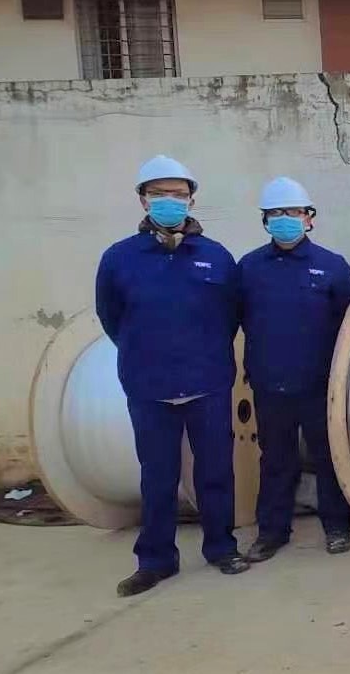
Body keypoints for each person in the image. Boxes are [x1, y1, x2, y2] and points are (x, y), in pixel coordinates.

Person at [95, 155, 248, 597]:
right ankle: (156, 560)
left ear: (192, 200)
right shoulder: (119, 259)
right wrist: (147, 352)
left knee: (215, 471)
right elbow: (111, 317)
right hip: (149, 385)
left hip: (208, 382)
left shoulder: (215, 257)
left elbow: (230, 316)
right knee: (157, 476)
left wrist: (203, 353)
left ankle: (221, 547)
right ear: (143, 200)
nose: (169, 201)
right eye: (159, 194)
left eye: (178, 194)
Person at [237, 176, 350, 561]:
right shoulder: (249, 268)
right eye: (276, 213)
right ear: (265, 220)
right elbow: (234, 319)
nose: (285, 219)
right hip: (270, 385)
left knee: (329, 458)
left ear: (309, 218)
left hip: (321, 386)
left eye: (293, 212)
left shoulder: (332, 267)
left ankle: (337, 526)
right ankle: (271, 532)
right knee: (276, 460)